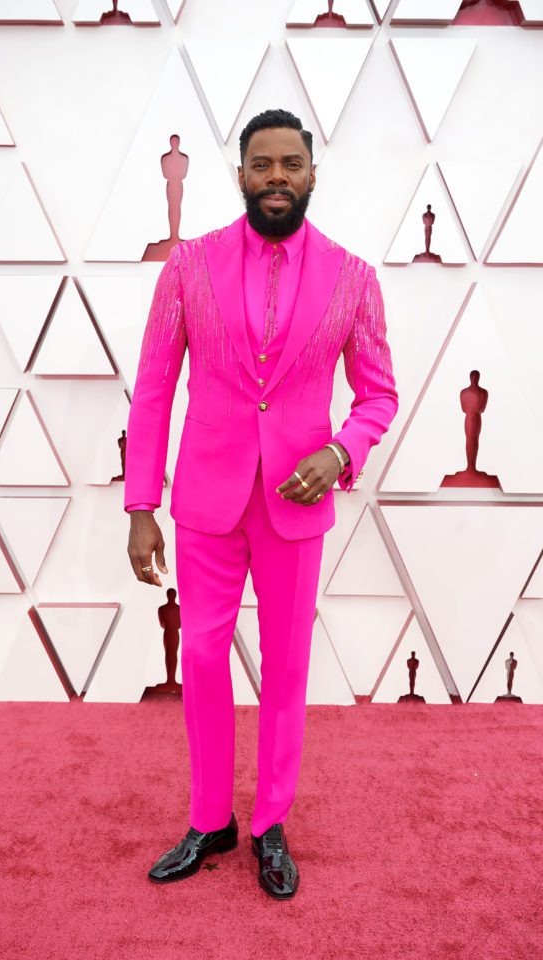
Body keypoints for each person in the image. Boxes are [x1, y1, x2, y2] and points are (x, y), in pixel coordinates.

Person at [124, 108, 399, 899]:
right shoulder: (188, 267)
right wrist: (141, 506)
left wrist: (340, 450)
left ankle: (271, 822)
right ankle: (210, 819)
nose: (277, 176)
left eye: (291, 164)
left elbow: (378, 396)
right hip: (205, 500)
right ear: (241, 173)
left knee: (286, 668)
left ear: (312, 175)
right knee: (203, 658)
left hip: (295, 504)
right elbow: (154, 390)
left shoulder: (354, 278)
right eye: (262, 164)